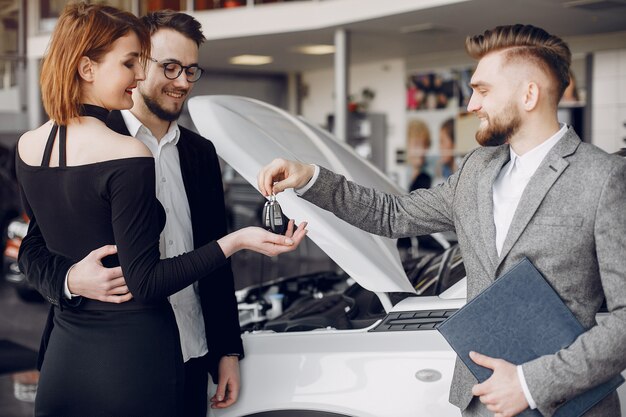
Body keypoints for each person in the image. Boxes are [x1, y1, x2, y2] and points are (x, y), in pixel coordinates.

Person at [258, 24, 626, 417]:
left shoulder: (602, 178)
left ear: (529, 94)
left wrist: (530, 385)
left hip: (571, 406)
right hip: (480, 401)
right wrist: (311, 177)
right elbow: (392, 214)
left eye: (483, 90)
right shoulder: (477, 170)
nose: (471, 105)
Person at [16, 3, 306, 417]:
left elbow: (212, 257)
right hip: (120, 354)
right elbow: (33, 249)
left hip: (192, 349)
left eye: (191, 70)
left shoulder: (201, 153)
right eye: (169, 67)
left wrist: (226, 350)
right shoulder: (99, 143)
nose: (182, 82)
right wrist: (70, 280)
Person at [406, 118, 432, 191]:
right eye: (416, 144)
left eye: (424, 144)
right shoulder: (403, 174)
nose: (421, 150)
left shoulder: (430, 176)